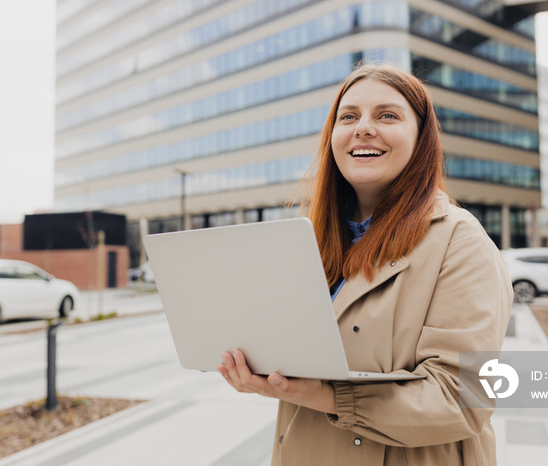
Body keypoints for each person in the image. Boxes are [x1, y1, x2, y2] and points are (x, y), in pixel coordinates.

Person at [218, 63, 513, 465]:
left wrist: (323, 395)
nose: (363, 128)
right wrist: (261, 368)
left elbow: (465, 398)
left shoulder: (460, 239)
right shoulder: (316, 242)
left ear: (421, 138)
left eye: (387, 115)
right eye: (349, 116)